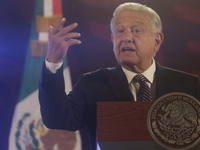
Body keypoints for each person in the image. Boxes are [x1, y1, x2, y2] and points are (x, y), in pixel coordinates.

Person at [39, 2, 200, 150]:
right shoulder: (93, 84)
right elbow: (56, 118)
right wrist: (53, 62)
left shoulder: (189, 86)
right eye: (120, 31)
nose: (126, 38)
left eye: (137, 30)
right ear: (113, 39)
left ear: (157, 40)